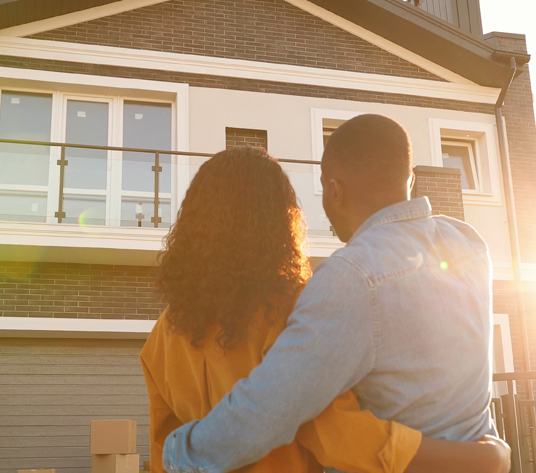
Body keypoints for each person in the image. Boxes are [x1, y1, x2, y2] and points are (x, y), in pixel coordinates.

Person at [160, 115, 500, 473]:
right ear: (410, 179)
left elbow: (272, 406)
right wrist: (487, 457)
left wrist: (176, 455)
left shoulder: (351, 276)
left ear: (335, 191)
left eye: (323, 188)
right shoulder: (469, 245)